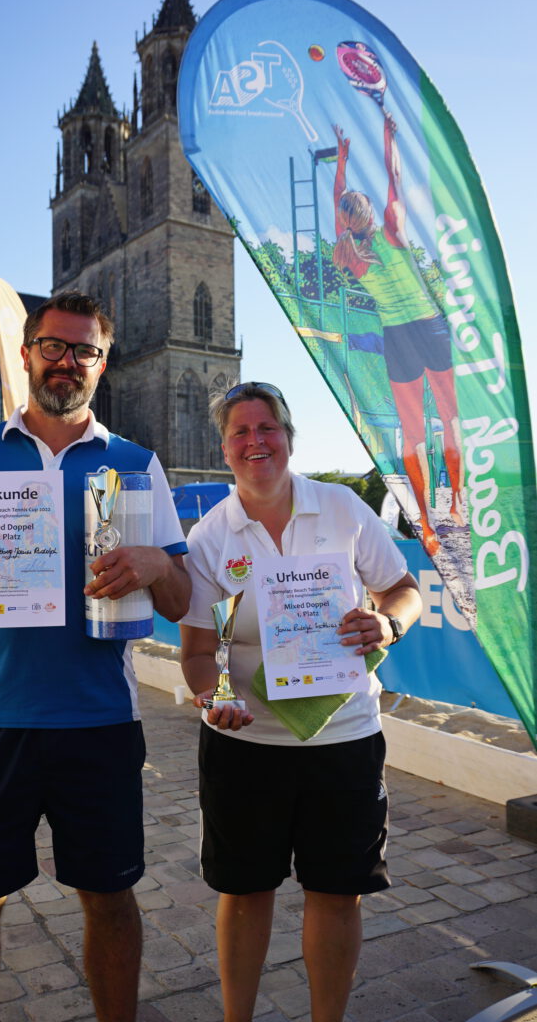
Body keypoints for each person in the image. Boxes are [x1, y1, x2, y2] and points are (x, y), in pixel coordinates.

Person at [0, 292, 190, 1022]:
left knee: (109, 898)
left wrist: (157, 565)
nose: (67, 363)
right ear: (28, 352)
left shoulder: (136, 464)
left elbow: (184, 599)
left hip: (97, 723)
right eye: (54, 347)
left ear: (104, 362)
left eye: (84, 351)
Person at [179, 381, 422, 1022]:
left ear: (288, 437)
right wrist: (215, 697)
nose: (256, 442)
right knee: (246, 891)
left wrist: (388, 623)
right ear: (224, 448)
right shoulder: (209, 537)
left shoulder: (341, 507)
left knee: (338, 894)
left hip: (344, 738)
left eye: (269, 429)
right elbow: (199, 653)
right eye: (241, 432)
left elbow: (404, 590)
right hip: (246, 744)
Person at [333, 113, 464, 556]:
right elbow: (394, 177)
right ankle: (459, 505)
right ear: (368, 212)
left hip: (398, 337)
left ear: (347, 219)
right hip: (427, 325)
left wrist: (341, 162)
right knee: (449, 418)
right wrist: (389, 136)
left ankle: (426, 523)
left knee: (413, 434)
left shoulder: (346, 250)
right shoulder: (391, 225)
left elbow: (340, 201)